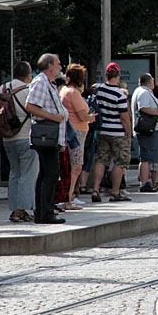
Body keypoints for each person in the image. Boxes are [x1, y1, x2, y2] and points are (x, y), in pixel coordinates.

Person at [24, 53, 68, 223]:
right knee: (50, 174)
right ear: (49, 66)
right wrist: (52, 116)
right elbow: (30, 106)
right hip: (46, 136)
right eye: (58, 63)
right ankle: (45, 213)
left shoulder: (48, 83)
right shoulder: (41, 82)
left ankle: (42, 211)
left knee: (46, 173)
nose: (60, 66)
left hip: (52, 136)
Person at [0, 62, 38, 222]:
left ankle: (14, 208)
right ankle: (23, 209)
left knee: (14, 173)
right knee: (28, 174)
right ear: (28, 74)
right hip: (26, 137)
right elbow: (36, 112)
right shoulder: (28, 90)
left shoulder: (2, 88)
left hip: (7, 138)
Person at [89, 62, 132, 203]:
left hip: (102, 130)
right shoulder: (119, 94)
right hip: (118, 132)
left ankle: (96, 189)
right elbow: (124, 117)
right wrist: (128, 133)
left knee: (101, 159)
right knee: (120, 162)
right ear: (118, 75)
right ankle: (115, 192)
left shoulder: (99, 90)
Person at [59, 63, 94, 210]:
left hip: (71, 131)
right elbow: (82, 115)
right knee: (76, 166)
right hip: (76, 132)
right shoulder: (73, 93)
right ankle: (68, 197)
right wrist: (91, 117)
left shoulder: (64, 90)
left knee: (71, 166)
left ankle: (68, 196)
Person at [132, 73, 158, 193]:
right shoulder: (144, 92)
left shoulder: (140, 91)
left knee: (145, 156)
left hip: (143, 130)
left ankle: (145, 181)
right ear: (149, 81)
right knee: (146, 157)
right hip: (145, 129)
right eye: (153, 80)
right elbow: (143, 107)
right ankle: (145, 182)